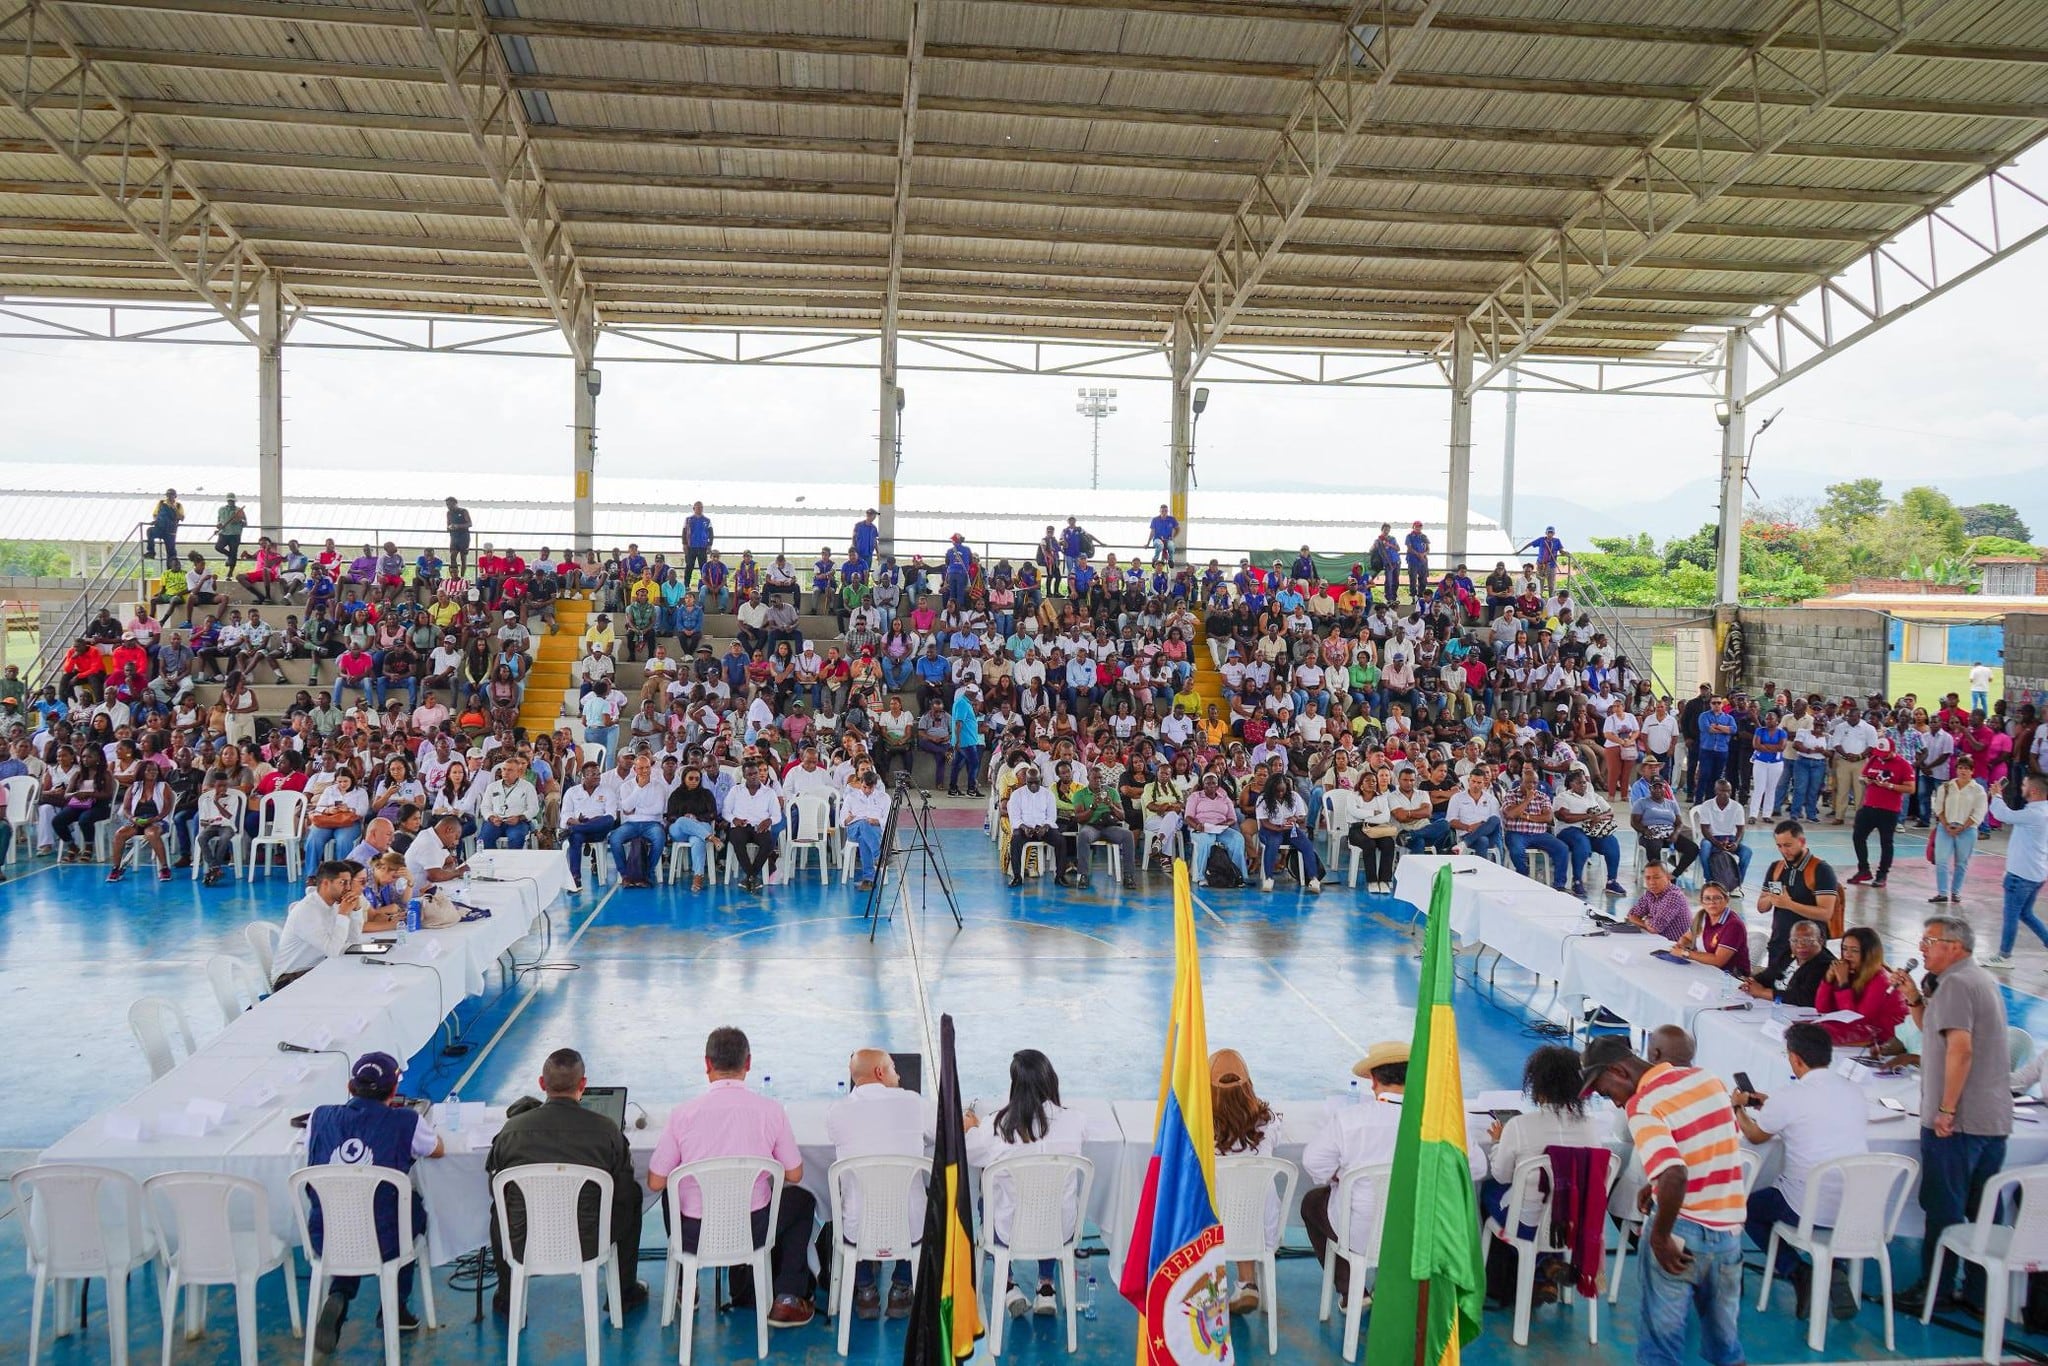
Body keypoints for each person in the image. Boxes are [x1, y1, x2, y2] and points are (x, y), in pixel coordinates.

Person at [1581, 1034, 1745, 1366]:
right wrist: (1655, 1186)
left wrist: (1659, 1237)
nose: (1613, 1102)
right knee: (1725, 1343)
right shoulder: (1707, 1080)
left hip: (1681, 1231)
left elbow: (1675, 1175)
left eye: (1606, 1091)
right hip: (1728, 1233)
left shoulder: (1641, 1105)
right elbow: (1716, 1147)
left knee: (1662, 1344)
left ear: (1619, 1071)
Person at [647, 1027, 817, 1326]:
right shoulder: (771, 1111)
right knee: (802, 1200)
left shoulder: (682, 1114)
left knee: (671, 1190)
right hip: (752, 1229)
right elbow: (794, 1173)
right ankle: (787, 1299)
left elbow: (655, 1182)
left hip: (694, 1235)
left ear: (707, 1064)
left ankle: (688, 1283)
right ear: (748, 1064)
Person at [1301, 1041, 1484, 1310]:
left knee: (1312, 1203)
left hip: (1360, 1235)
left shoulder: (1350, 1119)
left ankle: (1352, 1291)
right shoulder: (1444, 1120)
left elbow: (1313, 1163)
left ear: (1373, 1081)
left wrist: (1339, 1175)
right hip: (1422, 1232)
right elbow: (1477, 1168)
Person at [1895, 916, 2012, 1315]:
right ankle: (1979, 1294)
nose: (1922, 947)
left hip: (1960, 1122)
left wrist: (1946, 1109)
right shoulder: (1975, 980)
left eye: (1930, 940)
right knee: (1985, 1211)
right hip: (1991, 1118)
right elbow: (1934, 1029)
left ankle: (1936, 1289)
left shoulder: (1957, 985)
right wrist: (1914, 997)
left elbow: (1960, 1050)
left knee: (1944, 1209)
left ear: (1955, 947)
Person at [484, 1048, 647, 1316]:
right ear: (583, 1084)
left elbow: (495, 1189)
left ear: (541, 1084)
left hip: (524, 1238)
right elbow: (624, 1192)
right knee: (633, 1197)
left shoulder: (510, 1131)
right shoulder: (606, 1130)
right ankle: (623, 1291)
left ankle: (507, 1297)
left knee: (499, 1208)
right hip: (589, 1241)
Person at [305, 1051, 444, 1354]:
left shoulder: (319, 1116)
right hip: (385, 1239)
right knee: (409, 1214)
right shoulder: (406, 1120)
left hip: (326, 1235)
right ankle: (394, 1310)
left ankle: (340, 1291)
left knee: (348, 1217)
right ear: (394, 1092)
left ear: (349, 1087)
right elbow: (436, 1149)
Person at [1730, 1022, 1868, 1322]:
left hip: (1805, 1207)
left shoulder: (1790, 1096)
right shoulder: (1854, 1091)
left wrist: (1738, 1108)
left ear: (1794, 1059)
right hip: (1854, 1208)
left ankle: (1797, 1270)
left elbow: (1755, 1135)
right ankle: (1835, 1269)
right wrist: (1771, 1103)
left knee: (1746, 1208)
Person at [963, 1049, 1089, 1318]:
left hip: (1009, 1232)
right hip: (1059, 1230)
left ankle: (1008, 1285)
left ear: (1015, 1086)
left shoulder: (998, 1126)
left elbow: (971, 1153)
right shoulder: (1075, 1120)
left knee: (987, 1196)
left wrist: (972, 1126)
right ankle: (1047, 1287)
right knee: (1050, 1201)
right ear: (1051, 1080)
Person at [1481, 1045, 1608, 1297]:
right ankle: (1546, 1270)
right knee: (1557, 1203)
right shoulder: (1592, 1128)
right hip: (1573, 1221)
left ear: (1537, 1088)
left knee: (1489, 1192)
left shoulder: (1519, 1126)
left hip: (1526, 1222)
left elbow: (1502, 1175)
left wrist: (1497, 1142)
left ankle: (1523, 1276)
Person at [824, 1048, 932, 1319]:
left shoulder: (837, 1111)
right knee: (928, 1203)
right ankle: (901, 1286)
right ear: (880, 1072)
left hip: (859, 1226)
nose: (898, 1075)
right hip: (910, 1225)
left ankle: (865, 1289)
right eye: (894, 1069)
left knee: (849, 1199)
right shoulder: (913, 1103)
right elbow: (938, 1130)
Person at [1210, 1049, 1281, 1315]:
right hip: (1258, 1228)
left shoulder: (1201, 1129)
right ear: (1249, 1087)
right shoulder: (1268, 1124)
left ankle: (1204, 1285)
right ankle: (1246, 1280)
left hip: (1215, 1227)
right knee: (1247, 1201)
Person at [273, 860, 393, 988]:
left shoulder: (333, 905)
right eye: (342, 883)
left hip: (318, 966)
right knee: (353, 984)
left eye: (349, 882)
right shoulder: (307, 911)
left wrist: (356, 911)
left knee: (363, 977)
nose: (348, 888)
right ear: (325, 883)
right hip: (290, 978)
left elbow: (353, 941)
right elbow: (333, 950)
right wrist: (343, 914)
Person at [1753, 820, 1841, 990]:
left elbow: (1825, 913)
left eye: (1788, 845)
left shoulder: (1821, 870)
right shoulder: (1776, 868)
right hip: (1779, 946)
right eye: (1779, 846)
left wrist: (1789, 904)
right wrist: (1771, 899)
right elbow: (1761, 907)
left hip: (1807, 951)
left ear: (1802, 842)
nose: (1784, 851)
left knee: (1799, 998)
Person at [1812, 926, 1908, 1048]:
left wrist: (1843, 983)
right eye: (1844, 949)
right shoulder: (1850, 971)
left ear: (1869, 954)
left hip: (1886, 1039)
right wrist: (1828, 980)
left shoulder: (1881, 980)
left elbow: (1854, 1019)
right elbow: (1822, 1009)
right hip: (1862, 1031)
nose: (1847, 955)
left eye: (1854, 951)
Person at [1988, 774, 2048, 966]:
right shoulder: (2043, 811)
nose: (2021, 787)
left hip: (2020, 875)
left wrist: (1997, 796)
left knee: (2012, 914)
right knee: (2026, 913)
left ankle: (2004, 955)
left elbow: (2003, 815)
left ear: (2034, 791)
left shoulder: (2034, 814)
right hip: (2036, 873)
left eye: (2024, 784)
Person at [1846, 737, 1914, 888]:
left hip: (1889, 809)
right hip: (1869, 806)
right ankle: (1863, 869)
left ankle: (1882, 874)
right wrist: (1866, 780)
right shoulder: (1874, 759)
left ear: (1892, 751)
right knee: (1858, 836)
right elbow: (1862, 776)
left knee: (1886, 842)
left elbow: (1910, 788)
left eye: (1884, 754)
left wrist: (1889, 785)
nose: (1881, 757)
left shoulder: (1903, 765)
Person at [1252, 768, 1323, 894]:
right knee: (1273, 843)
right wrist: (1280, 828)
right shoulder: (1263, 799)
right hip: (1270, 830)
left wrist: (1295, 818)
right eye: (1277, 791)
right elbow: (1264, 822)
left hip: (1290, 830)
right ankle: (1268, 878)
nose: (1280, 794)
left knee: (1307, 846)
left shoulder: (1294, 797)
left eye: (1282, 791)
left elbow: (1302, 818)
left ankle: (1313, 879)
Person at [1930, 754, 1987, 905]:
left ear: (1972, 771)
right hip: (1946, 827)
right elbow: (1938, 808)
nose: (1963, 771)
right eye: (1960, 768)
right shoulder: (1947, 787)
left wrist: (1963, 826)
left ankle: (1955, 892)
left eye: (1966, 769)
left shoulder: (1978, 790)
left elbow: (1978, 813)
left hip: (1967, 829)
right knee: (1941, 860)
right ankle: (1942, 892)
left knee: (1961, 863)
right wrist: (1946, 824)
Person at [1071, 767, 1138, 891]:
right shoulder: (1080, 794)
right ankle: (1083, 875)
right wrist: (1093, 807)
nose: (1098, 781)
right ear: (1088, 779)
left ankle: (1129, 875)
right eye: (1095, 778)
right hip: (1091, 826)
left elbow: (1122, 816)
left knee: (1128, 835)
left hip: (1109, 827)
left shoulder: (1111, 792)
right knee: (1083, 835)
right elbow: (1079, 818)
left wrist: (1111, 805)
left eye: (1100, 778)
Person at [723, 761, 782, 892]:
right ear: (744, 776)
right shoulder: (735, 790)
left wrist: (769, 821)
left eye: (755, 773)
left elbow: (777, 815)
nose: (754, 776)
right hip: (740, 826)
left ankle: (750, 876)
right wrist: (734, 819)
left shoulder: (769, 792)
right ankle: (752, 876)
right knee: (737, 840)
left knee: (768, 842)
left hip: (760, 826)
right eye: (750, 774)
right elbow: (725, 811)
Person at [1671, 881, 1750, 978]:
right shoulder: (1703, 917)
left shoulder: (1733, 925)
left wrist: (1685, 953)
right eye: (1707, 898)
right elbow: (1687, 938)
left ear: (1726, 900)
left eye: (1717, 898)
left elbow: (1718, 961)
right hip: (1706, 969)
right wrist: (1681, 945)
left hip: (1730, 977)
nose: (1712, 902)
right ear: (1702, 902)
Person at [1186, 769, 1250, 886]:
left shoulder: (1224, 798)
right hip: (1202, 829)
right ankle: (1201, 876)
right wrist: (1197, 826)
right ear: (1202, 785)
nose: (1211, 786)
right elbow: (1188, 817)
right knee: (1205, 842)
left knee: (1237, 839)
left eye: (1214, 783)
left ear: (1218, 785)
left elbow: (1232, 818)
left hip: (1220, 829)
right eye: (1207, 783)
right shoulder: (1195, 797)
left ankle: (1238, 875)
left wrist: (1224, 825)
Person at [1744, 920, 1831, 1005]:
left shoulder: (1825, 964)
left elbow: (1805, 998)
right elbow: (1769, 974)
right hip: (1772, 1006)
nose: (1800, 945)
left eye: (1807, 941)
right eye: (1794, 941)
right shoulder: (1789, 954)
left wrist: (1762, 992)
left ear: (1820, 941)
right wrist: (1751, 982)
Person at [1003, 764, 1063, 887]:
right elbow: (1015, 818)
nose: (1034, 785)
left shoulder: (1048, 794)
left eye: (1036, 782)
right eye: (1030, 782)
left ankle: (1060, 876)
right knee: (1015, 841)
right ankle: (1017, 876)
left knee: (1060, 841)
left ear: (1040, 780)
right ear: (1026, 781)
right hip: (1024, 828)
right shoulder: (1017, 794)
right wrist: (1024, 828)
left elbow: (1052, 817)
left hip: (1043, 828)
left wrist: (1045, 827)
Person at [840, 768, 889, 890]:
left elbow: (889, 819)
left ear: (875, 786)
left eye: (870, 788)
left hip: (875, 828)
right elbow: (841, 821)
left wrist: (877, 821)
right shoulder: (851, 797)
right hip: (854, 827)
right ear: (860, 783)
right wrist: (849, 818)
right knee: (862, 823)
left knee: (863, 838)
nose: (867, 790)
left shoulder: (884, 798)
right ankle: (879, 855)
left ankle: (868, 880)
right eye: (864, 787)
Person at [1447, 765, 1503, 861]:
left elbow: (1495, 823)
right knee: (1482, 840)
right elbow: (1450, 821)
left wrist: (1480, 825)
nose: (1476, 785)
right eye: (1473, 781)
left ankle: (1464, 844)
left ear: (1484, 783)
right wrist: (1467, 827)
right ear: (1469, 781)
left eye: (1479, 782)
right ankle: (1481, 871)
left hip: (1490, 835)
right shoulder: (1457, 798)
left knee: (1495, 820)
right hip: (1466, 833)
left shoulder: (1491, 799)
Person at [1626, 862, 1692, 941]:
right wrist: (1648, 923)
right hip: (1656, 941)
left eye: (1656, 877)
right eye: (1648, 878)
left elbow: (1655, 928)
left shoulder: (1674, 896)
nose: (1652, 882)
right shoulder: (1650, 893)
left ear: (1668, 877)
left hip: (1674, 947)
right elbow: (1632, 915)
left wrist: (1645, 922)